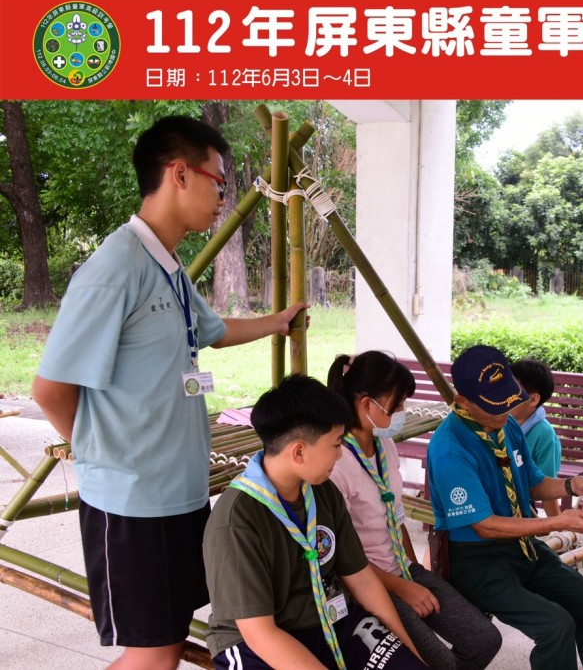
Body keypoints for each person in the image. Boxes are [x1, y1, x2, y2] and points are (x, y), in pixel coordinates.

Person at [32, 115, 307, 670]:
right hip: (132, 502)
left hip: (178, 492)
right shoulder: (115, 267)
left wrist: (277, 322)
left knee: (168, 641)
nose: (222, 198)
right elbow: (49, 389)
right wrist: (99, 452)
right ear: (180, 174)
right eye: (219, 182)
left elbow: (212, 331)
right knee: (154, 653)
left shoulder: (167, 264)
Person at [204, 374, 426, 669]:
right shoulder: (237, 520)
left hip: (332, 620)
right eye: (335, 445)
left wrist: (412, 656)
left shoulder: (322, 491)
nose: (340, 454)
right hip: (257, 642)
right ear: (298, 451)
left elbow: (361, 579)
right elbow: (260, 634)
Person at [427, 344, 583, 670]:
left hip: (521, 547)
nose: (504, 410)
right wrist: (558, 523)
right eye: (494, 405)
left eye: (508, 398)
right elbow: (485, 526)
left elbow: (532, 482)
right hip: (475, 561)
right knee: (555, 626)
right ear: (462, 401)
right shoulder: (449, 447)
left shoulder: (507, 425)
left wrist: (571, 484)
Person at [327, 351, 502, 670]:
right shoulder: (336, 463)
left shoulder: (384, 445)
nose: (402, 413)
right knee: (440, 662)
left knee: (484, 639)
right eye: (396, 406)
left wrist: (415, 573)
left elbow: (396, 519)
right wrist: (402, 588)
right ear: (367, 405)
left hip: (402, 569)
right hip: (369, 583)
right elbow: (341, 560)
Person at [510, 358, 563, 517]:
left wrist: (558, 526)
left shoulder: (544, 435)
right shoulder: (494, 419)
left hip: (521, 506)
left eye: (510, 389)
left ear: (533, 400)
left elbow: (547, 489)